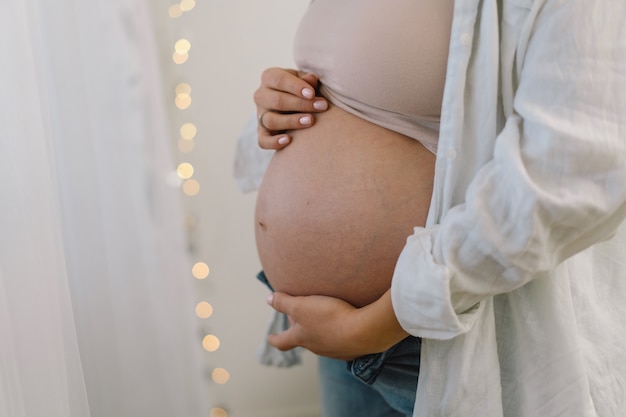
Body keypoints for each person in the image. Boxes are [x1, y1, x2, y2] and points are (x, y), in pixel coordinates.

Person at [238, 0, 626, 416]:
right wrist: (281, 102)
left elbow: (578, 171)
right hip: (335, 335)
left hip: (441, 344)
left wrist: (378, 323)